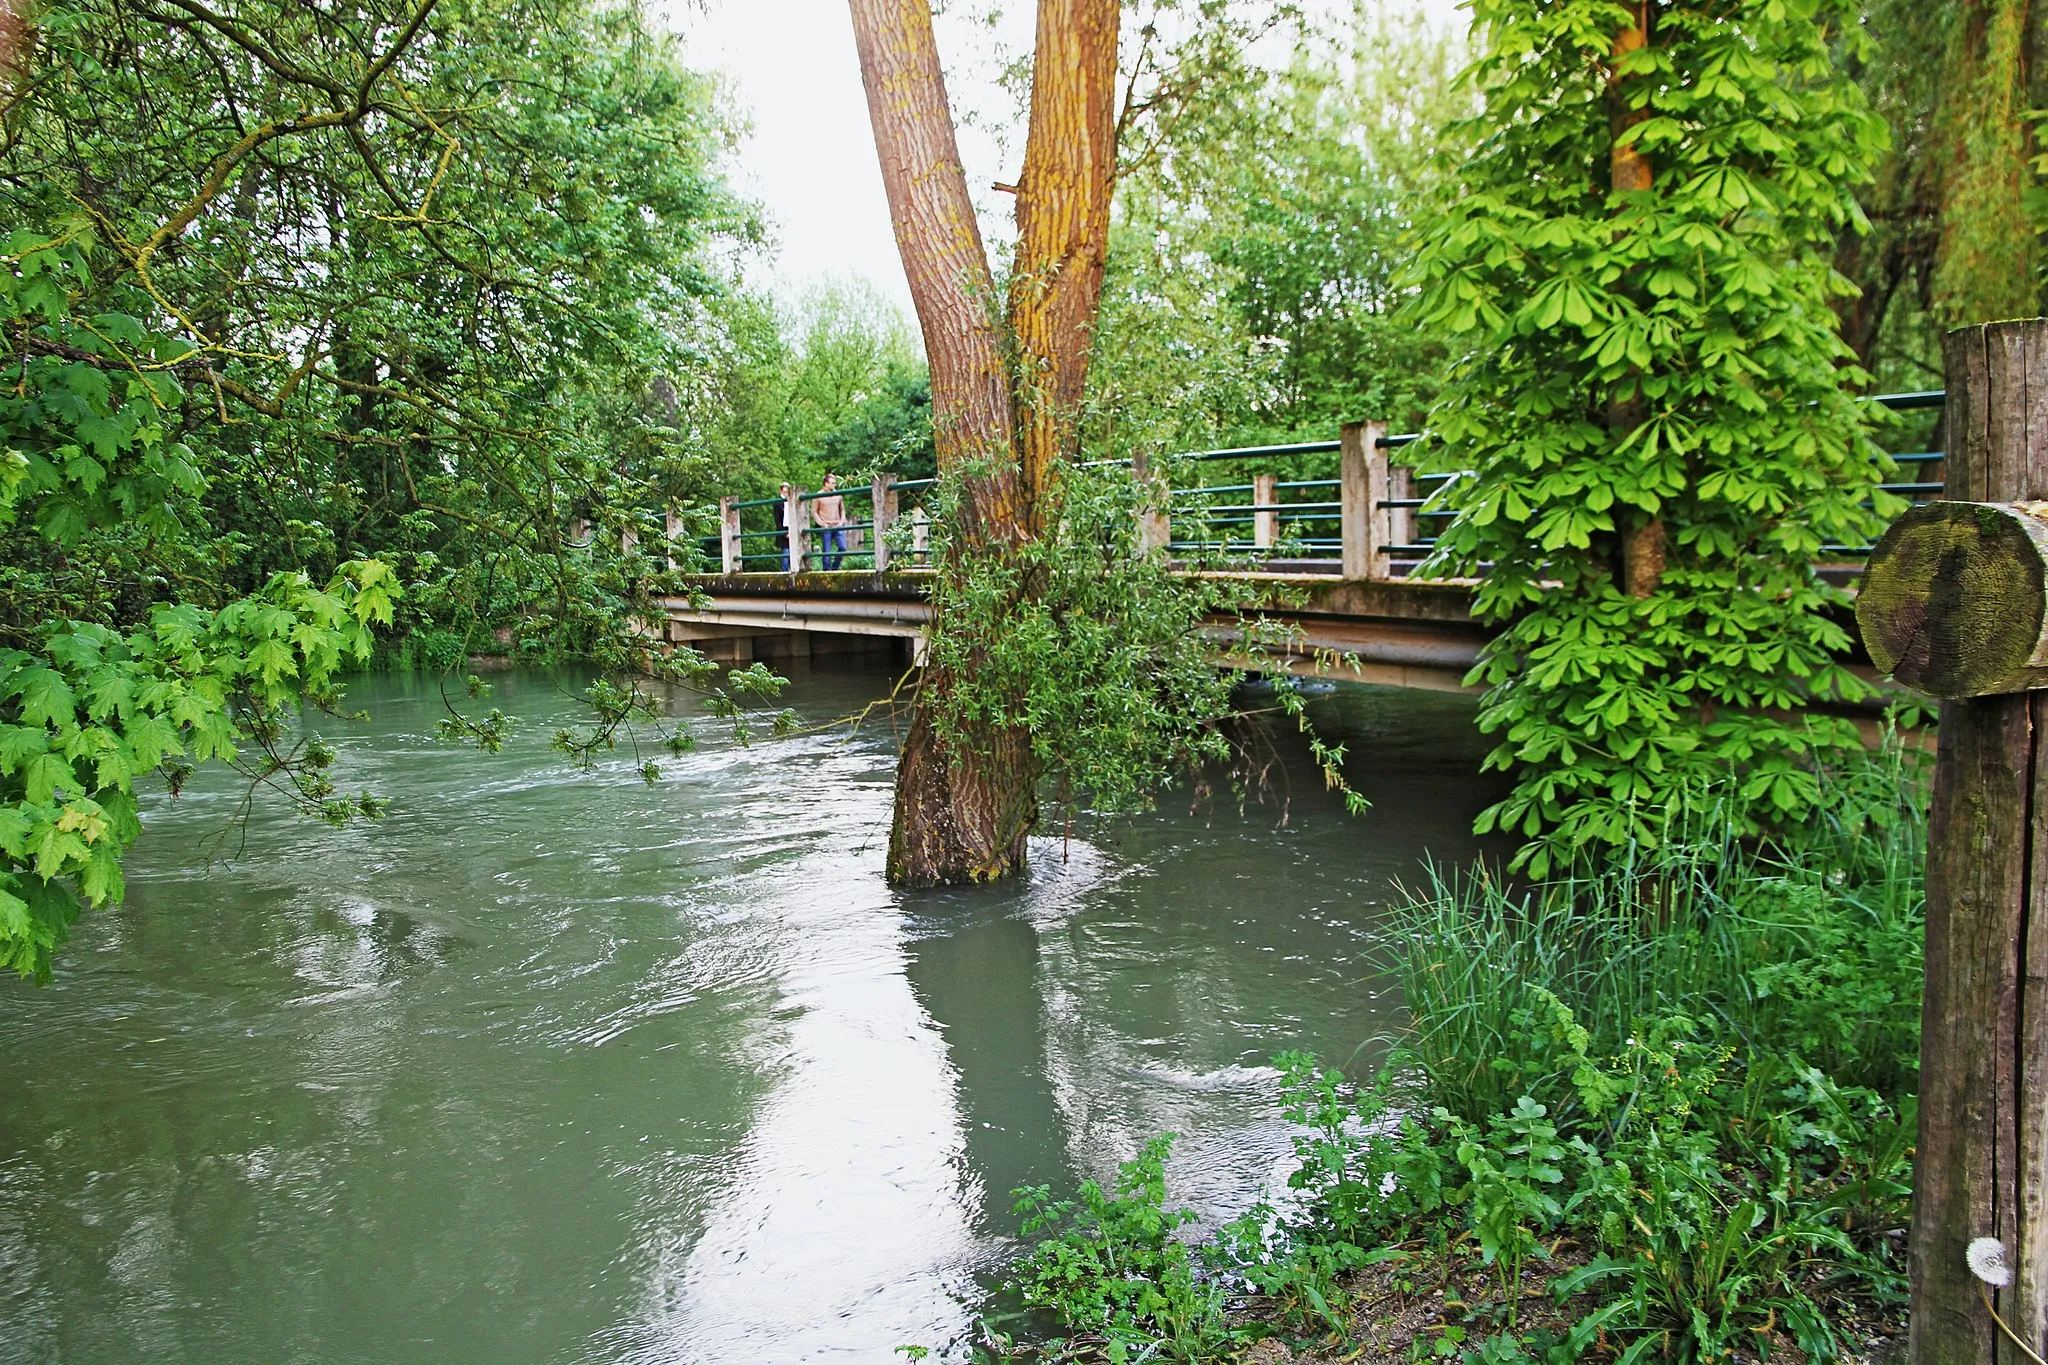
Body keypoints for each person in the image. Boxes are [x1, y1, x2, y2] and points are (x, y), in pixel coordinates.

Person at [812, 472, 848, 570]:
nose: (834, 485)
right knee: (827, 552)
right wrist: (821, 523)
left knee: (842, 547)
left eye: (835, 483)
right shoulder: (818, 495)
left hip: (837, 525)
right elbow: (814, 512)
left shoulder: (837, 495)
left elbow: (842, 509)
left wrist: (842, 521)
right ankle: (827, 571)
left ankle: (835, 567)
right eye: (832, 483)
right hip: (826, 525)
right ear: (826, 483)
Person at [774, 482, 792, 570]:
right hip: (783, 531)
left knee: (792, 553)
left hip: (791, 530)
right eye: (784, 492)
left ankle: (790, 570)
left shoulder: (791, 501)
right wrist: (784, 532)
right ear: (781, 491)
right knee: (785, 553)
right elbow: (777, 520)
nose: (786, 494)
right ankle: (785, 571)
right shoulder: (778, 503)